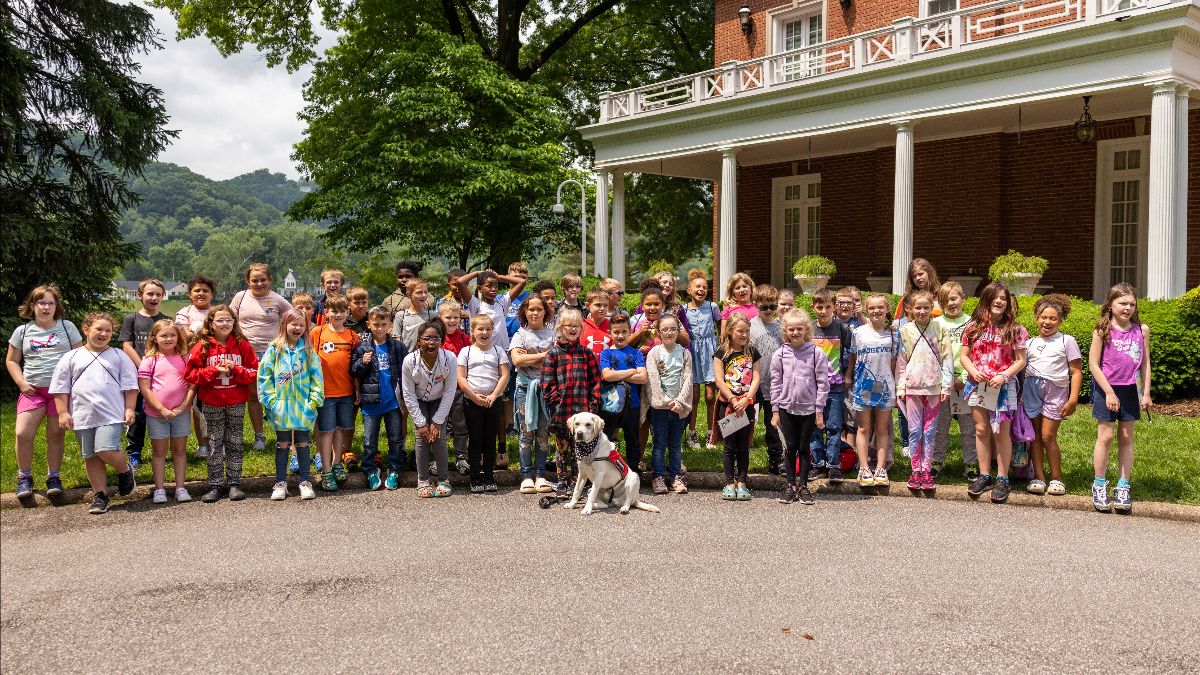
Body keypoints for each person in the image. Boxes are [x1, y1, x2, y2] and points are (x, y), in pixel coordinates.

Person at [48, 312, 138, 514]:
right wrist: (63, 412)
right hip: (83, 416)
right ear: (86, 329)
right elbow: (60, 387)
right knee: (90, 456)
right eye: (99, 329)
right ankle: (100, 495)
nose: (103, 333)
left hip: (112, 414)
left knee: (105, 449)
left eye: (108, 330)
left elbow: (130, 385)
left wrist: (130, 407)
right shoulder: (71, 357)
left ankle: (124, 470)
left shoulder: (118, 355)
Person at [7, 284, 83, 498]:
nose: (46, 307)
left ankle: (54, 476)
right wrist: (21, 382)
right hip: (33, 390)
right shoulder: (22, 331)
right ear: (33, 305)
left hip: (60, 392)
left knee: (56, 434)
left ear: (56, 306)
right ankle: (24, 477)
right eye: (42, 302)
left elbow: (80, 357)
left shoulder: (67, 327)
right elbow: (12, 360)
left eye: (51, 303)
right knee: (22, 433)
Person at [960, 282, 1029, 504]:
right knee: (981, 430)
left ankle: (1002, 477)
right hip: (978, 385)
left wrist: (1004, 376)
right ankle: (984, 475)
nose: (999, 301)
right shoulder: (973, 327)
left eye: (1003, 298)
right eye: (995, 297)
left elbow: (1021, 361)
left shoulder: (1015, 329)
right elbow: (964, 356)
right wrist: (973, 371)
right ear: (986, 300)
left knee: (1001, 432)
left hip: (1003, 386)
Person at [184, 305, 258, 503]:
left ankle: (234, 483)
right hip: (212, 402)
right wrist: (213, 371)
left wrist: (236, 369)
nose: (225, 324)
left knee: (235, 442)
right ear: (211, 323)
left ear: (234, 322)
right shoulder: (203, 345)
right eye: (220, 320)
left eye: (228, 320)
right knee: (215, 444)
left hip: (236, 401)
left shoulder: (242, 344)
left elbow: (253, 371)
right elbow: (190, 374)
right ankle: (215, 484)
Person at [1088, 283, 1151, 513]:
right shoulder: (1102, 330)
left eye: (1132, 304)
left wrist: (1146, 392)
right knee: (1105, 436)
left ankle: (1123, 485)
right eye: (1122, 303)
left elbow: (1145, 364)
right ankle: (1099, 483)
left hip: (1130, 390)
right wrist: (1109, 392)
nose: (1127, 308)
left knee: (1126, 437)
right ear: (1110, 304)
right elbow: (1093, 364)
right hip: (1107, 389)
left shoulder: (1141, 330)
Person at [257, 309, 323, 501]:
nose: (297, 328)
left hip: (303, 406)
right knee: (283, 443)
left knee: (303, 442)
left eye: (301, 325)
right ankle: (280, 483)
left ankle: (305, 481)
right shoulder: (274, 349)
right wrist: (269, 401)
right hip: (281, 407)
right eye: (293, 324)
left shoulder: (308, 351)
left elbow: (317, 377)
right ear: (284, 325)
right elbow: (264, 376)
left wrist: (314, 401)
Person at [1023, 294, 1082, 496]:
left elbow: (1076, 371)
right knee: (1035, 436)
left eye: (1052, 318)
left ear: (1060, 320)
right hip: (1031, 389)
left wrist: (1073, 399)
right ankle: (1038, 477)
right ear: (1036, 318)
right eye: (1043, 317)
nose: (1047, 322)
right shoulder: (1029, 343)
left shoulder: (1067, 341)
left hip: (1055, 390)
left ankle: (1056, 478)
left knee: (1048, 435)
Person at [230, 263, 292, 451]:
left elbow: (294, 319)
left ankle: (284, 435)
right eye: (254, 280)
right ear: (248, 281)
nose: (259, 284)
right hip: (246, 354)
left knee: (280, 395)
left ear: (270, 280)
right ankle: (259, 436)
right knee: (253, 395)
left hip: (274, 354)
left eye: (262, 280)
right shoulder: (240, 298)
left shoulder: (278, 300)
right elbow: (228, 320)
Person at [771, 308, 830, 505]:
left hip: (808, 409)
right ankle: (790, 485)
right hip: (786, 408)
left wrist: (819, 409)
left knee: (804, 447)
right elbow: (775, 383)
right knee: (790, 447)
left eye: (799, 329)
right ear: (785, 331)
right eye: (791, 330)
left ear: (806, 329)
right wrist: (775, 410)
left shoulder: (816, 353)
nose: (795, 333)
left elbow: (823, 383)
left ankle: (803, 485)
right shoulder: (779, 355)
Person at [896, 291, 953, 491]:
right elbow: (901, 362)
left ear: (932, 309)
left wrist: (946, 385)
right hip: (912, 387)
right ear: (910, 309)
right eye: (917, 308)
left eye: (926, 308)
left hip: (934, 387)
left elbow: (947, 358)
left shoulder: (940, 328)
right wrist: (900, 386)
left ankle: (926, 469)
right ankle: (915, 469)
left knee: (929, 430)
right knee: (914, 430)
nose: (922, 311)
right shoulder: (905, 331)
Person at [540, 307, 601, 494]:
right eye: (568, 326)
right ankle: (563, 482)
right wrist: (556, 403)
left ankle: (579, 483)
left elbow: (595, 381)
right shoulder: (553, 354)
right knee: (562, 449)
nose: (572, 329)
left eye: (576, 326)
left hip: (582, 411)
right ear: (560, 328)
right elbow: (546, 384)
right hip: (562, 413)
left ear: (581, 328)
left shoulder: (586, 354)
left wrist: (592, 405)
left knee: (581, 450)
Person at [138, 320, 197, 504]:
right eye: (163, 335)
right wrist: (161, 409)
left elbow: (192, 385)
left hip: (181, 413)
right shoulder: (150, 360)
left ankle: (180, 487)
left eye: (172, 335)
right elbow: (145, 389)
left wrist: (183, 406)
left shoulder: (184, 358)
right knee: (159, 452)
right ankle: (160, 489)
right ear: (155, 338)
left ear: (178, 337)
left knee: (179, 451)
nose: (168, 338)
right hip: (157, 415)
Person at [351, 306, 408, 491]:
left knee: (395, 438)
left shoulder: (398, 347)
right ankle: (370, 469)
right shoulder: (362, 347)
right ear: (368, 324)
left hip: (392, 402)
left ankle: (394, 469)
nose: (380, 328)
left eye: (384, 324)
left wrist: (406, 397)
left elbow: (405, 373)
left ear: (390, 325)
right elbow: (354, 371)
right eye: (376, 324)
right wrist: (362, 362)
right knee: (369, 440)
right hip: (371, 403)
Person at [847, 293, 899, 489]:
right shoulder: (858, 332)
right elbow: (853, 357)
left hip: (885, 387)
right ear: (866, 310)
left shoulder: (894, 333)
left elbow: (894, 364)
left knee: (882, 429)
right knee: (863, 428)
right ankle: (864, 468)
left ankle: (880, 468)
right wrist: (849, 377)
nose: (876, 311)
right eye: (872, 308)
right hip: (864, 385)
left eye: (880, 308)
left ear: (887, 309)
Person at [401, 321, 457, 498]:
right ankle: (423, 480)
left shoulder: (449, 359)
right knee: (422, 438)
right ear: (419, 341)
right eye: (427, 338)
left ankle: (443, 479)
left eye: (436, 339)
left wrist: (437, 421)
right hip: (418, 401)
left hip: (440, 400)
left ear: (441, 341)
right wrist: (421, 423)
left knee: (438, 439)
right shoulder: (410, 361)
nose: (431, 343)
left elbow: (449, 392)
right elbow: (408, 394)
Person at [309, 295, 359, 492]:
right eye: (333, 311)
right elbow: (310, 362)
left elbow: (355, 368)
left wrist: (356, 389)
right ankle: (326, 470)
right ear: (326, 312)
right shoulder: (317, 333)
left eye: (341, 311)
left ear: (347, 312)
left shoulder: (351, 336)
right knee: (325, 431)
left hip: (345, 391)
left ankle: (338, 463)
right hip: (325, 392)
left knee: (340, 429)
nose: (337, 315)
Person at [457, 314, 511, 493]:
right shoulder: (466, 352)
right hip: (472, 401)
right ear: (472, 331)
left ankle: (488, 475)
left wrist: (494, 395)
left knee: (490, 439)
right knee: (475, 439)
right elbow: (461, 378)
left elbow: (504, 375)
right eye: (480, 329)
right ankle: (475, 477)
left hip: (492, 402)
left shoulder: (498, 351)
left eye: (488, 329)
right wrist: (473, 396)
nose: (484, 332)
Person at [509, 296, 557, 493]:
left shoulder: (553, 334)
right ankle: (526, 475)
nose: (535, 313)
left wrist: (531, 358)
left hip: (546, 390)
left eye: (539, 309)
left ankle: (540, 475)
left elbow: (557, 359)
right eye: (531, 309)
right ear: (524, 312)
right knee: (526, 433)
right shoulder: (520, 334)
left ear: (545, 311)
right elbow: (517, 360)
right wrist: (544, 356)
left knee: (543, 434)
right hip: (525, 389)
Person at [119, 278, 168, 469]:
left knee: (159, 411)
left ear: (162, 297)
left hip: (160, 375)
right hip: (137, 374)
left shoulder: (165, 320)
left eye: (158, 294)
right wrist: (143, 368)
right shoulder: (131, 319)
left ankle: (163, 449)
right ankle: (134, 451)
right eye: (150, 293)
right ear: (140, 296)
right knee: (137, 413)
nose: (154, 297)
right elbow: (127, 345)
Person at [931, 282, 977, 479]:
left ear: (963, 299)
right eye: (945, 300)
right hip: (942, 384)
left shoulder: (973, 324)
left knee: (969, 428)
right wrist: (946, 379)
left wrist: (965, 378)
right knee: (940, 426)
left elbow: (976, 353)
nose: (950, 303)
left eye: (954, 298)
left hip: (967, 384)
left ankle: (971, 464)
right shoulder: (935, 324)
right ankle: (936, 461)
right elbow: (932, 355)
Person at [713, 312, 761, 501]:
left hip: (746, 404)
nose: (744, 335)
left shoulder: (752, 352)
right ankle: (728, 482)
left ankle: (742, 483)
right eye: (740, 331)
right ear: (731, 331)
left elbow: (756, 377)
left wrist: (747, 398)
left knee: (743, 445)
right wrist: (733, 400)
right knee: (729, 446)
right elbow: (719, 379)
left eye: (747, 331)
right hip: (729, 405)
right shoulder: (721, 353)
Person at [808, 288, 853, 482]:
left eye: (828, 307)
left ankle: (833, 465)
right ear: (814, 307)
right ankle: (818, 464)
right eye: (820, 307)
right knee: (814, 427)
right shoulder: (809, 329)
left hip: (835, 387)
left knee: (834, 426)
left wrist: (848, 374)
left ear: (834, 307)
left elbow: (853, 352)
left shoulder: (841, 329)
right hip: (812, 388)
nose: (824, 311)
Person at [645, 313, 693, 495]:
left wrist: (680, 401)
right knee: (659, 443)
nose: (669, 333)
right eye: (664, 329)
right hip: (660, 407)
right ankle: (657, 476)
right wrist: (665, 401)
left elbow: (688, 378)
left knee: (675, 443)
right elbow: (653, 380)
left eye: (673, 329)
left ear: (678, 330)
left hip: (678, 407)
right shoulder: (654, 353)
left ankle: (675, 476)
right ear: (658, 332)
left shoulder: (684, 353)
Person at [599, 312, 647, 481]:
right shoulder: (605, 354)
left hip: (632, 404)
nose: (620, 335)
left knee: (632, 440)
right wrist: (631, 371)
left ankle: (633, 473)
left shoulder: (636, 353)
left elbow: (643, 377)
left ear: (629, 332)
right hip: (610, 404)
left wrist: (617, 374)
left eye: (624, 332)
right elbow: (606, 376)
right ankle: (606, 471)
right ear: (610, 333)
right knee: (606, 439)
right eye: (616, 332)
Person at [173, 274, 214, 459]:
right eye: (197, 290)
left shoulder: (218, 311)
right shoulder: (184, 312)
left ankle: (217, 443)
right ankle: (203, 444)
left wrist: (198, 329)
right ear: (190, 294)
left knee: (214, 405)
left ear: (212, 294)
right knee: (197, 407)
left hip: (215, 365)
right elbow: (183, 337)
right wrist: (198, 328)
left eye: (205, 290)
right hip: (193, 365)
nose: (201, 293)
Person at [683, 269, 720, 449]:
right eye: (697, 287)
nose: (701, 290)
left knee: (710, 396)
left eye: (704, 287)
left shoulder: (712, 307)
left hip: (710, 353)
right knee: (694, 396)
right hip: (692, 353)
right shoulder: (683, 309)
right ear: (689, 289)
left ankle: (711, 433)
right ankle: (692, 433)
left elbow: (722, 325)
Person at [749, 284, 784, 476]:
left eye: (772, 306)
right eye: (764, 307)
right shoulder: (750, 326)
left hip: (774, 385)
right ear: (756, 305)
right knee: (746, 423)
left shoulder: (780, 328)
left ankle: (776, 459)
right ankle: (740, 458)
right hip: (752, 386)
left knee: (773, 425)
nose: (769, 311)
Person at [437, 299, 471, 474]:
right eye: (448, 317)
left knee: (460, 425)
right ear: (440, 318)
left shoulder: (465, 339)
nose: (452, 321)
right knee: (439, 424)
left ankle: (461, 457)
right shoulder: (436, 338)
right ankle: (438, 458)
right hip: (439, 391)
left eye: (455, 317)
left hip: (459, 389)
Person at [394, 278, 434, 350]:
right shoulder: (401, 316)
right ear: (409, 295)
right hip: (405, 358)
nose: (424, 295)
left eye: (426, 292)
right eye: (419, 293)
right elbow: (397, 340)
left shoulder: (432, 315)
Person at [580, 289, 612, 356]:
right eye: (598, 305)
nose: (602, 308)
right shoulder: (581, 327)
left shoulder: (612, 326)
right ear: (587, 305)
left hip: (607, 366)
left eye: (606, 305)